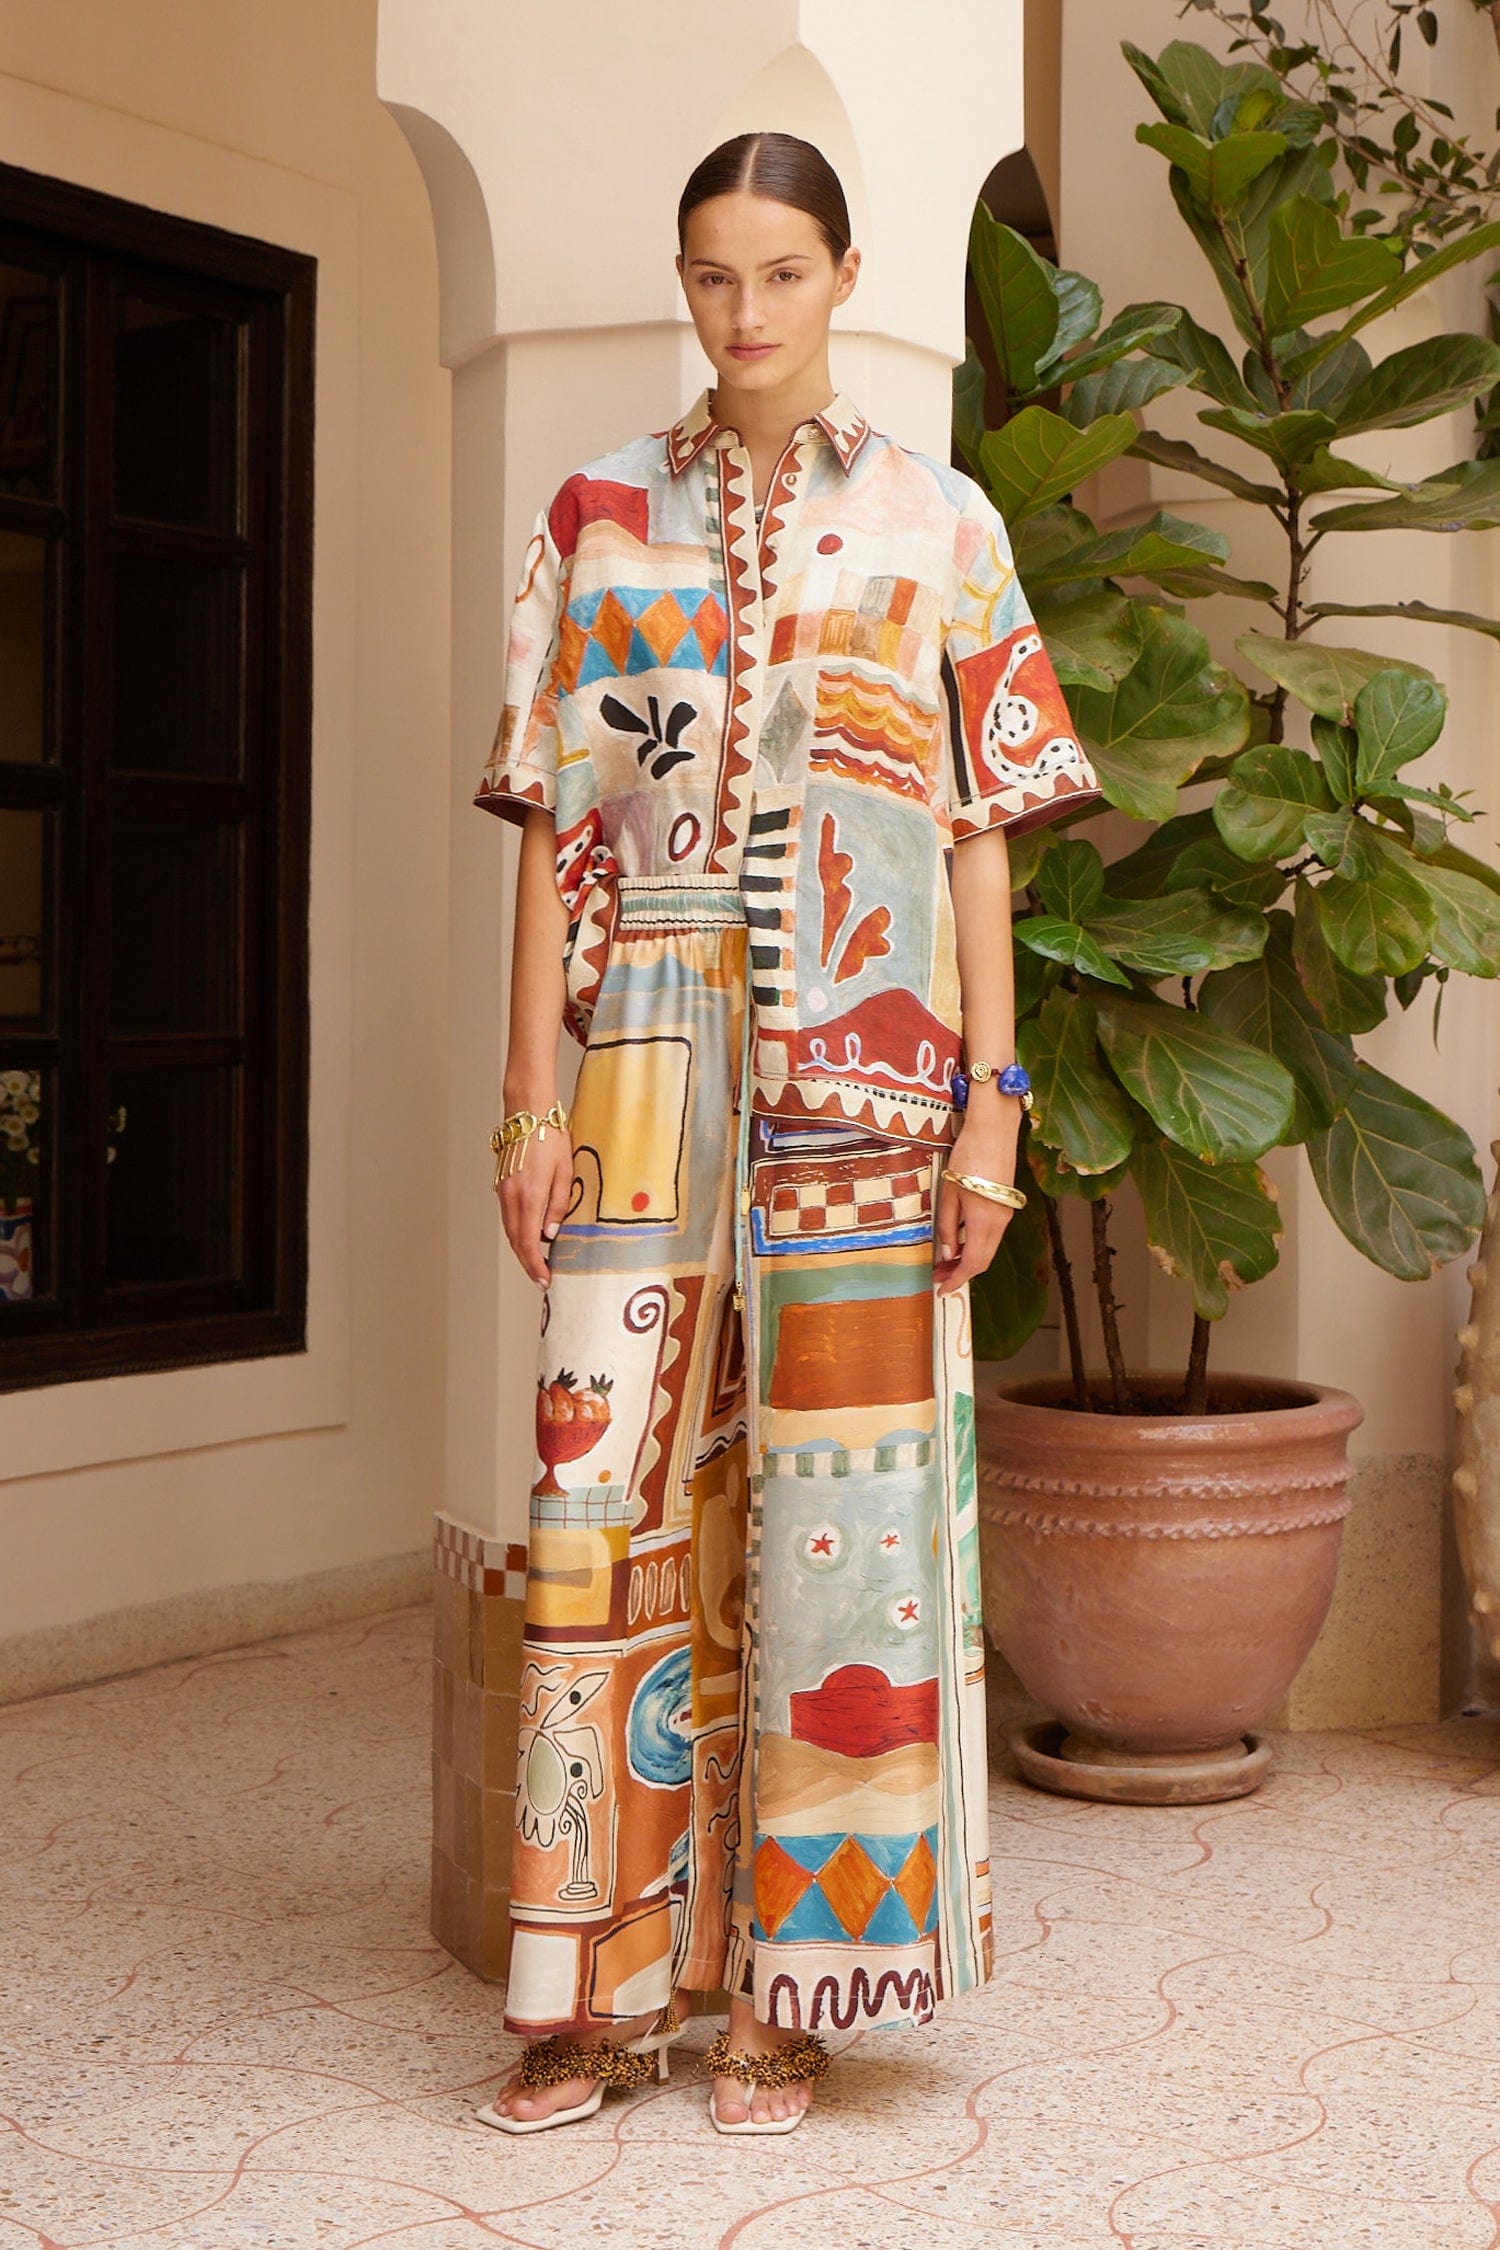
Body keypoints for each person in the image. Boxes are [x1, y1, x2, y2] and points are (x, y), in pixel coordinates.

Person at [471, 129, 1099, 2138]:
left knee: (847, 1527)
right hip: (644, 1057)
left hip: (872, 1063)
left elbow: (981, 834)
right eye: (711, 274)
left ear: (844, 276)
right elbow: (552, 828)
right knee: (605, 1505)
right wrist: (528, 1101)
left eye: (781, 272)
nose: (744, 311)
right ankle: (591, 1987)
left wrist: (992, 1109)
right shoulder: (598, 515)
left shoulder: (941, 520)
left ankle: (786, 1992)